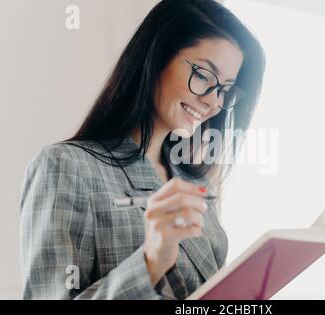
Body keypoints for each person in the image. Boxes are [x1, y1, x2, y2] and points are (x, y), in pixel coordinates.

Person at [19, 0, 265, 299]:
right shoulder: (66, 166)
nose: (214, 103)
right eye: (203, 76)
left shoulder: (195, 185)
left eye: (224, 90)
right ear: (156, 56)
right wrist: (151, 261)